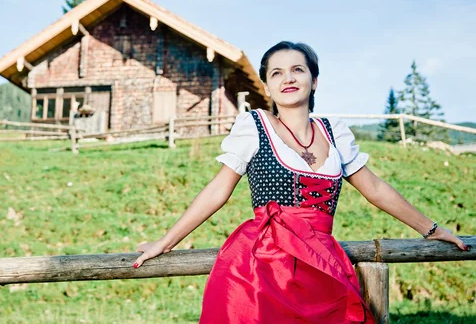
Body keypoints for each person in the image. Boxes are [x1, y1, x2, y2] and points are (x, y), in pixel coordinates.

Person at [132, 41, 469, 323]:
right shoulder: (255, 126)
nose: (287, 78)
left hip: (321, 264)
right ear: (266, 86)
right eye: (276, 73)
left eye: (298, 69)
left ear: (315, 80)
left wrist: (431, 228)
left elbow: (376, 189)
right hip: (262, 264)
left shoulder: (334, 132)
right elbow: (218, 190)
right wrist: (166, 241)